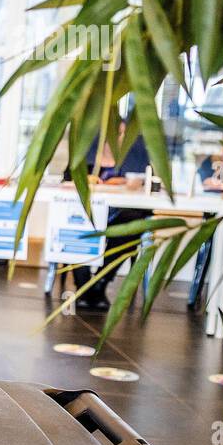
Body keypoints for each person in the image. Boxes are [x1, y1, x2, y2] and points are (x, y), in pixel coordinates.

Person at [69, 131, 152, 312]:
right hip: (87, 210)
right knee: (72, 224)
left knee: (131, 225)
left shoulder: (135, 156)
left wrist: (130, 184)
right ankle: (83, 284)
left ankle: (100, 282)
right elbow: (68, 178)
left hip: (121, 212)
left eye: (122, 132)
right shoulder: (85, 153)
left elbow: (148, 181)